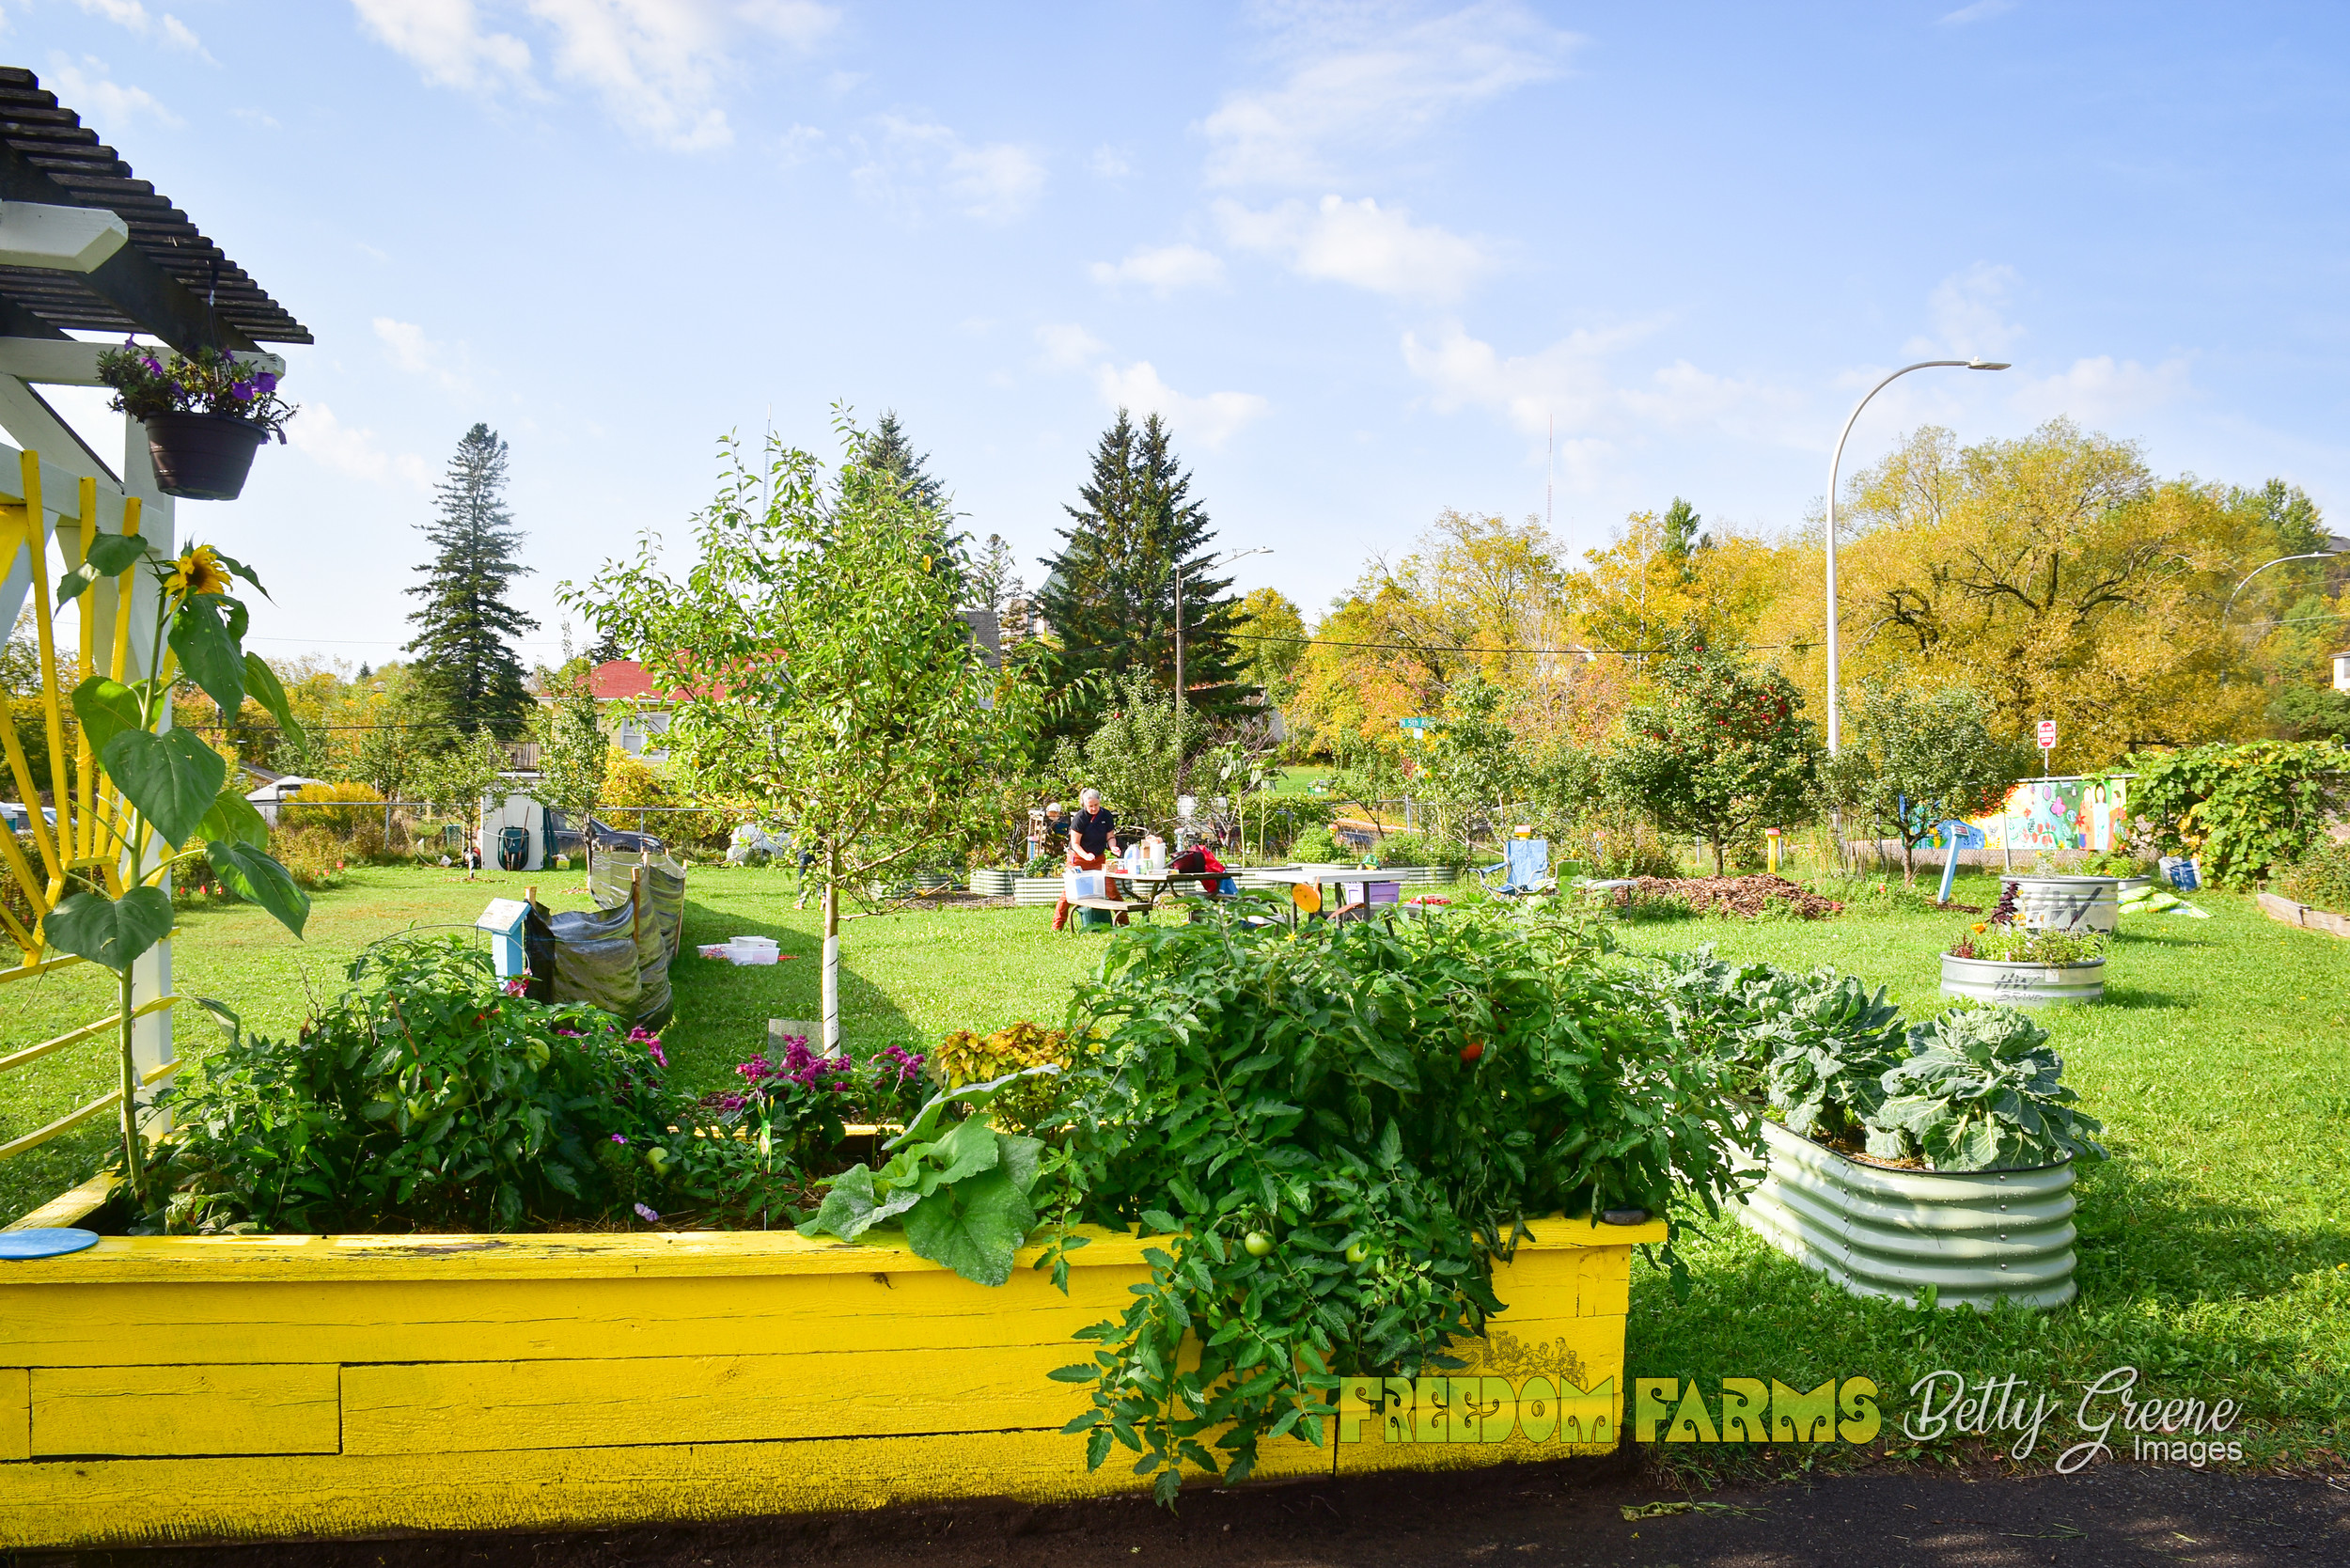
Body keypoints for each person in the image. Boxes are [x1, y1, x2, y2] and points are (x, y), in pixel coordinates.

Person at [1052, 788, 1127, 932]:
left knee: (1112, 891)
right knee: (1068, 893)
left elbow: (1110, 836)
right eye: (1090, 806)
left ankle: (1125, 924)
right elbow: (1075, 843)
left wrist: (1113, 847)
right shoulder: (1080, 818)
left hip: (1099, 859)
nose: (1093, 808)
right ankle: (1057, 926)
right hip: (1078, 858)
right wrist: (1085, 855)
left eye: (1096, 805)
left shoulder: (1106, 815)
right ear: (1084, 804)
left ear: (1100, 803)